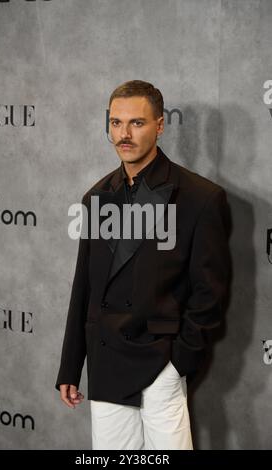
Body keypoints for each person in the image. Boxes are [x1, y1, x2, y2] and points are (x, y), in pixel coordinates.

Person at [55, 80, 231, 450]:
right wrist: (71, 367)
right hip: (106, 364)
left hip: (159, 365)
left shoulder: (200, 198)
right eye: (116, 123)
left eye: (136, 123)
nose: (124, 134)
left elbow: (209, 294)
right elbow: (84, 288)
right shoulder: (96, 197)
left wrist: (177, 365)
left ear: (160, 125)